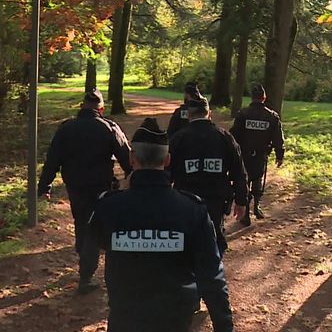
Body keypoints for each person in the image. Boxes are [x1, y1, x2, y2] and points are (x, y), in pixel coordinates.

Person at [88, 118, 234, 332]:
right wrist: (224, 326)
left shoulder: (108, 207)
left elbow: (94, 240)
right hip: (175, 319)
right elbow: (211, 275)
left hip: (125, 318)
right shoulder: (192, 210)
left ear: (131, 158)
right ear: (167, 160)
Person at [37, 88, 132, 294]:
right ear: (101, 108)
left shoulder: (66, 129)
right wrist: (135, 179)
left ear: (82, 106)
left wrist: (44, 186)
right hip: (102, 188)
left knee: (83, 224)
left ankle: (87, 268)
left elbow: (52, 160)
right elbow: (126, 157)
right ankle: (91, 274)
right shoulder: (109, 128)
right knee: (101, 227)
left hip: (76, 187)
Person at [169, 96, 247, 255]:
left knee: (186, 241)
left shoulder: (178, 139)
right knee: (214, 238)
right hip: (216, 200)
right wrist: (241, 200)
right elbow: (238, 171)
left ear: (189, 115)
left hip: (185, 200)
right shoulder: (224, 137)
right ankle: (213, 273)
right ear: (209, 113)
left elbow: (166, 171)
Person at [230, 83, 285, 226]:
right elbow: (277, 138)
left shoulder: (243, 114)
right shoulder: (272, 116)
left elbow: (234, 135)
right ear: (264, 98)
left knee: (244, 180)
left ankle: (246, 212)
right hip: (261, 154)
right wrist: (280, 154)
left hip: (244, 154)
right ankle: (257, 206)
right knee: (258, 178)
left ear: (252, 97)